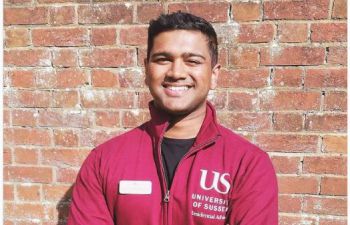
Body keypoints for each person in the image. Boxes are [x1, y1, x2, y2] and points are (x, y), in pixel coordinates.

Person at [67, 12, 278, 225]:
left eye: (192, 61)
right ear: (146, 70)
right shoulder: (103, 161)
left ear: (214, 75)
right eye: (163, 59)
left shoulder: (248, 165)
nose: (176, 72)